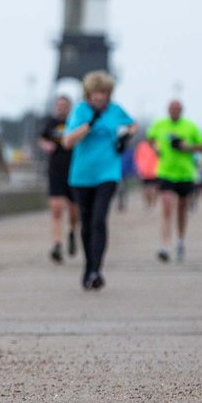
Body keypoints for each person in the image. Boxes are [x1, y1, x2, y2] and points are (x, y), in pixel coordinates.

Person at [62, 70, 136, 290]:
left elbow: (132, 124)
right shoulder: (80, 111)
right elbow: (67, 142)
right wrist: (89, 124)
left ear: (109, 93)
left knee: (98, 220)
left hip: (108, 173)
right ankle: (88, 266)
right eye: (95, 93)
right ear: (88, 94)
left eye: (103, 93)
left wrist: (125, 136)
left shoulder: (116, 110)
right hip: (82, 175)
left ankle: (96, 270)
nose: (99, 97)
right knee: (85, 224)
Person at [147, 100, 202, 262]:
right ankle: (164, 245)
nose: (174, 111)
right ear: (167, 110)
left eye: (177, 109)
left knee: (182, 208)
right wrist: (155, 148)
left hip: (185, 173)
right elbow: (150, 139)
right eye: (172, 109)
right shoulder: (160, 124)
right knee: (166, 206)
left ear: (182, 110)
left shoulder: (190, 126)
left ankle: (180, 240)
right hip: (166, 171)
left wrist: (187, 146)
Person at [38, 95, 79, 262]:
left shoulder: (76, 122)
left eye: (64, 105)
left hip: (75, 171)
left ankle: (71, 232)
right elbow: (41, 138)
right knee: (56, 208)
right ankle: (57, 244)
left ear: (70, 107)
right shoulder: (50, 122)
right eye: (58, 105)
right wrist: (46, 145)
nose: (61, 108)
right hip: (56, 171)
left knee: (74, 210)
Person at [133, 137, 160, 210]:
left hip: (150, 170)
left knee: (148, 187)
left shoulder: (142, 145)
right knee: (152, 187)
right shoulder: (155, 144)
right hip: (151, 170)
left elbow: (137, 158)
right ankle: (151, 203)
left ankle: (149, 203)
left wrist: (138, 168)